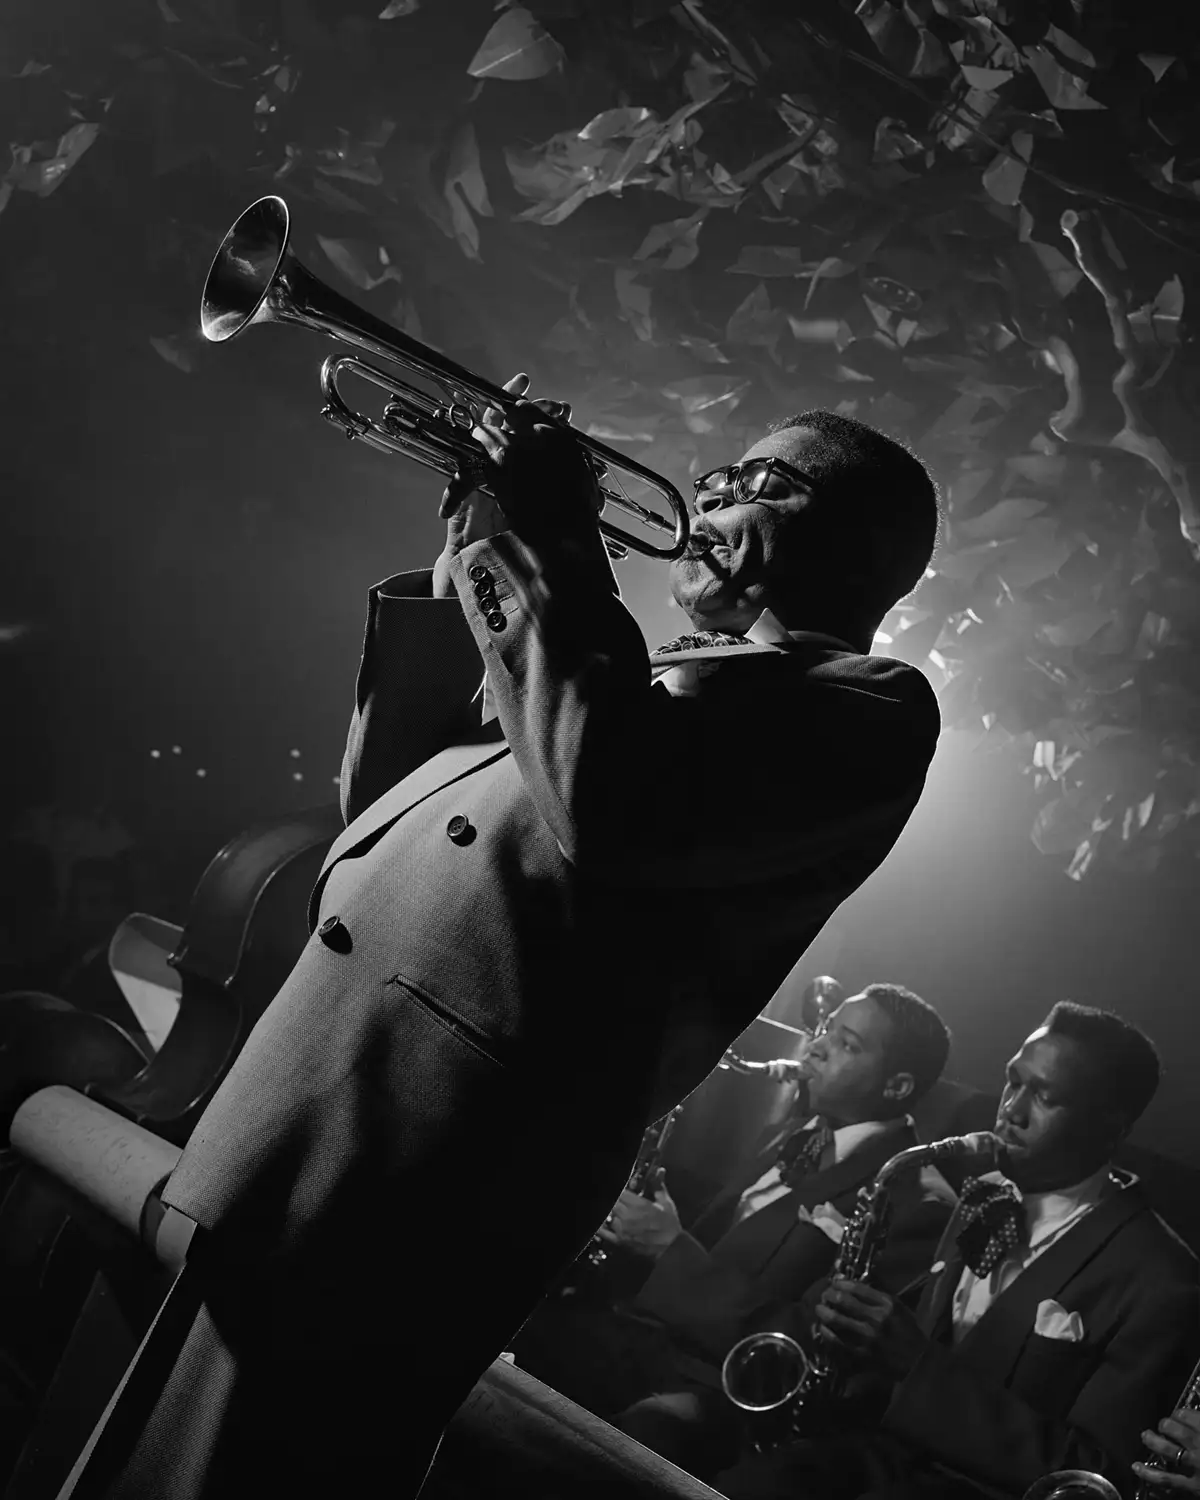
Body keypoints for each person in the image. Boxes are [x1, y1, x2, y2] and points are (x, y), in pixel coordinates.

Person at [60, 379, 944, 1499]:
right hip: (309, 1114)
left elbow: (610, 806)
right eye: (713, 477)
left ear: (858, 541)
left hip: (419, 1183)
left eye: (756, 484)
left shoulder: (864, 705)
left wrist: (556, 538)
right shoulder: (638, 666)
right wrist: (475, 552)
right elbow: (384, 796)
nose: (708, 497)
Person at [714, 1002, 1200, 1500]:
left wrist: (914, 1363)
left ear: (1110, 1127)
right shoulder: (982, 1193)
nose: (1010, 1110)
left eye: (1044, 1096)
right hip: (857, 1465)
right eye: (1014, 1081)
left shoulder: (1167, 1282)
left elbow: (1091, 1479)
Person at [513, 984, 954, 1479]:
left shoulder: (920, 1203)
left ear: (896, 1087)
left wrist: (671, 1250)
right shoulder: (800, 1132)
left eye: (847, 1044)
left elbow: (809, 1351)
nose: (817, 1046)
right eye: (828, 1030)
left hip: (725, 1397)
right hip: (652, 1342)